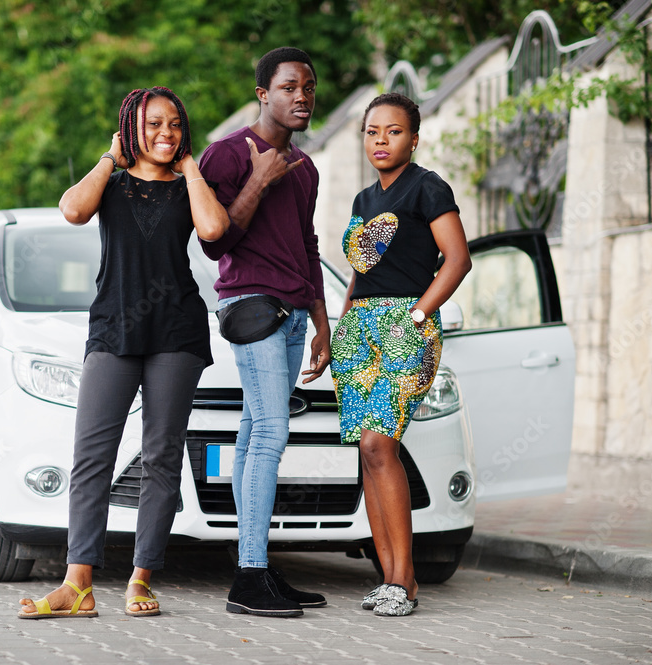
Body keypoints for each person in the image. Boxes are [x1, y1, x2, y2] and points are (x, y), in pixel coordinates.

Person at [18, 87, 229, 619]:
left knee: (161, 456)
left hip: (176, 333)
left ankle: (141, 578)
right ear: (131, 128)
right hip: (114, 329)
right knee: (92, 457)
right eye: (154, 123)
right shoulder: (109, 185)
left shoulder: (189, 188)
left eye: (175, 124)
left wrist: (193, 169)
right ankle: (78, 584)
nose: (166, 132)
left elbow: (214, 229)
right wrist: (110, 155)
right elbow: (71, 210)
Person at [198, 46, 331, 618]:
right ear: (263, 94)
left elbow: (307, 246)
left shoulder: (308, 169)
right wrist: (257, 180)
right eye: (288, 87)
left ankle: (256, 565)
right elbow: (214, 242)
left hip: (297, 312)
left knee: (254, 437)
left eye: (308, 87)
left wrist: (324, 320)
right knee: (272, 435)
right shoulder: (224, 157)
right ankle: (249, 578)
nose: (301, 97)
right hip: (251, 307)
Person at [331, 92, 472, 617]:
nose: (381, 140)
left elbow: (457, 260)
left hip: (405, 326)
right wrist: (338, 331)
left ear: (414, 138)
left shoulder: (427, 187)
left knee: (379, 443)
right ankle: (390, 578)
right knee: (369, 454)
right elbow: (359, 274)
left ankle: (404, 579)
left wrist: (417, 317)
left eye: (393, 131)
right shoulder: (363, 201)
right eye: (372, 132)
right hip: (359, 330)